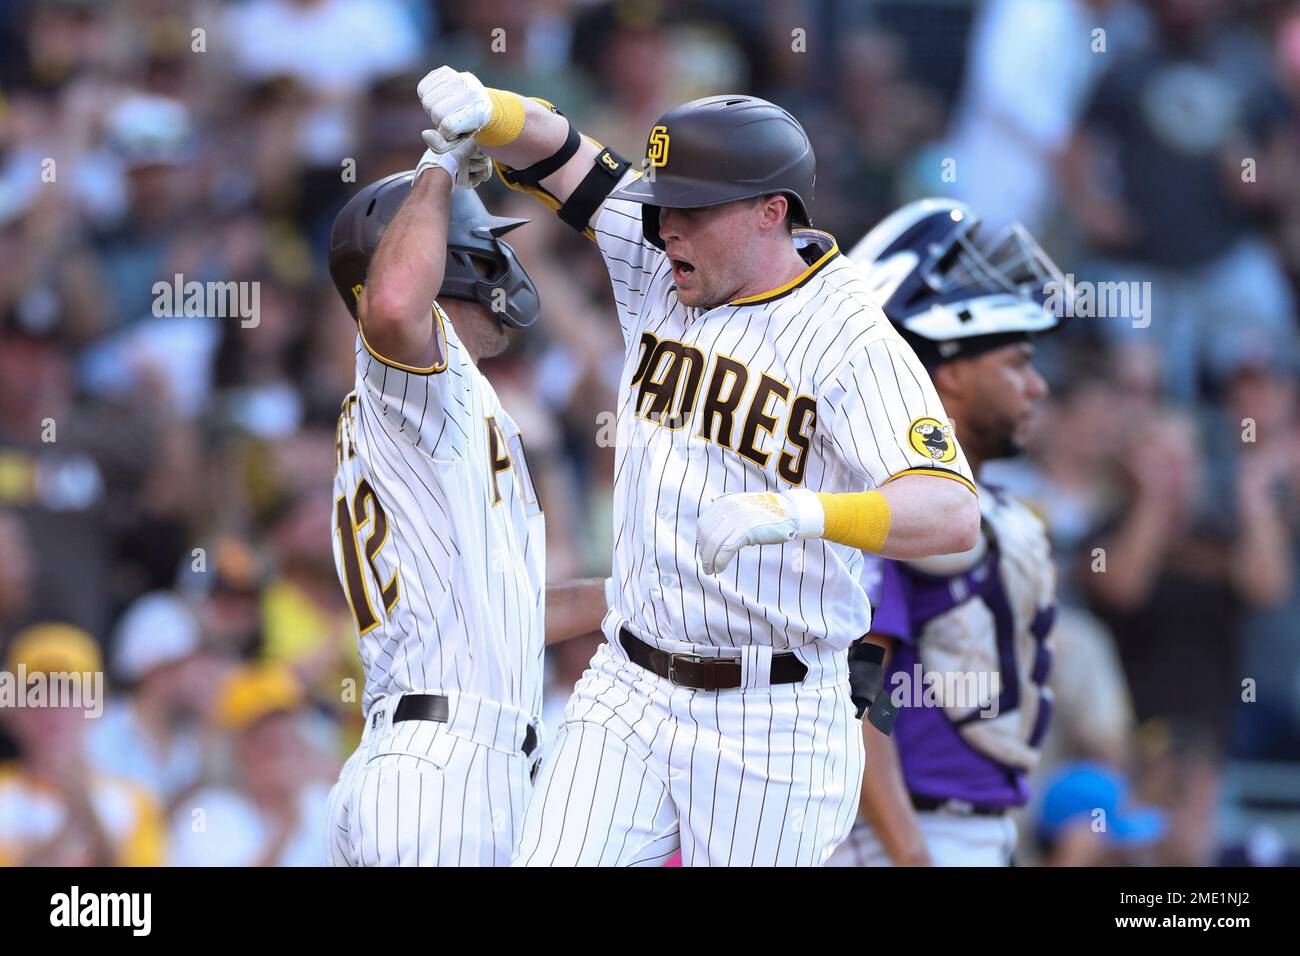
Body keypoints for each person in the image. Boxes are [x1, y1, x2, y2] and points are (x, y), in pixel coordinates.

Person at [413, 67, 980, 865]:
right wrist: (492, 107)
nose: (666, 225)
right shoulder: (661, 257)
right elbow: (562, 154)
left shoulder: (851, 335)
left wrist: (806, 513)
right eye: (663, 203)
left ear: (770, 212)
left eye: (692, 209)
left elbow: (952, 511)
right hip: (629, 684)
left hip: (771, 716)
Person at [322, 138, 607, 866]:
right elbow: (389, 305)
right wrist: (438, 169)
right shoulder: (423, 377)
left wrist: (654, 594)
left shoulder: (442, 399)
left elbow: (513, 617)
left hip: (439, 758)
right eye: (480, 243)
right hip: (445, 770)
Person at [828, 198, 1065, 866]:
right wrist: (912, 857)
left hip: (971, 831)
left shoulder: (971, 503)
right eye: (1017, 363)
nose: (1037, 387)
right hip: (907, 836)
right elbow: (856, 693)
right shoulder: (899, 498)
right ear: (951, 374)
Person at [0, 623, 164, 867]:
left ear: (97, 707)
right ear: (10, 710)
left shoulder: (134, 803)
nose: (51, 708)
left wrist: (84, 809)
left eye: (69, 693)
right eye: (34, 693)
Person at [169, 663, 331, 867]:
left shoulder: (323, 802)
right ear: (235, 750)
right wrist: (286, 830)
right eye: (263, 735)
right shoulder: (207, 814)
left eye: (286, 729)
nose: (280, 740)